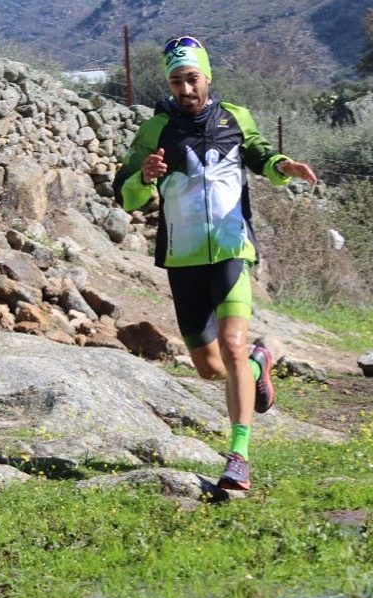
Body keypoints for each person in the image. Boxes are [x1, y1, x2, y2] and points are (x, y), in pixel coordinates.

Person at [112, 36, 317, 490]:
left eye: (192, 79)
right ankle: (260, 365)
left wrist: (284, 166)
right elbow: (125, 191)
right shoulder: (155, 130)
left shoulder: (234, 118)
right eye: (177, 81)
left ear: (207, 77)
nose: (186, 89)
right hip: (182, 258)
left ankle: (238, 457)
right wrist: (143, 178)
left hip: (231, 248)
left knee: (231, 343)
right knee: (210, 366)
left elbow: (262, 155)